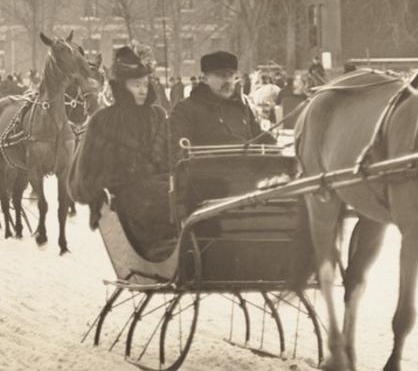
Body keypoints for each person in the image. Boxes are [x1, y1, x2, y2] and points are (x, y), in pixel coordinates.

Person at [69, 45, 175, 258]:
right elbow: (87, 174)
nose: (143, 90)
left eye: (145, 84)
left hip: (159, 185)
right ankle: (164, 247)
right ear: (121, 87)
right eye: (136, 85)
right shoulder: (104, 120)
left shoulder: (157, 115)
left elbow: (171, 155)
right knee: (163, 199)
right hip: (124, 194)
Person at [169, 51, 274, 148]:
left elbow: (257, 135)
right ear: (204, 79)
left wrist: (271, 144)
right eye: (221, 75)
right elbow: (178, 150)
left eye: (231, 75)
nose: (227, 80)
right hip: (207, 167)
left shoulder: (241, 106)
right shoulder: (186, 109)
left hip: (247, 166)